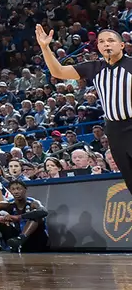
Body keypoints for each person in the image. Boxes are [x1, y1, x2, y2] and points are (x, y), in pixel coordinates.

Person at [36, 23, 132, 192]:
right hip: (114, 129)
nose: (106, 44)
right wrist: (45, 48)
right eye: (102, 41)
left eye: (111, 40)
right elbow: (58, 71)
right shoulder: (94, 67)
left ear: (122, 45)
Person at [0, 181, 48, 252]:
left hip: (36, 239)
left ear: (25, 189)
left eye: (19, 189)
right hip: (16, 237)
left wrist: (19, 217)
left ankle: (21, 239)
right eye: (13, 189)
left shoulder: (33, 202)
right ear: (10, 191)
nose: (16, 192)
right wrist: (0, 217)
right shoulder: (8, 204)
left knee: (35, 216)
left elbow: (44, 211)